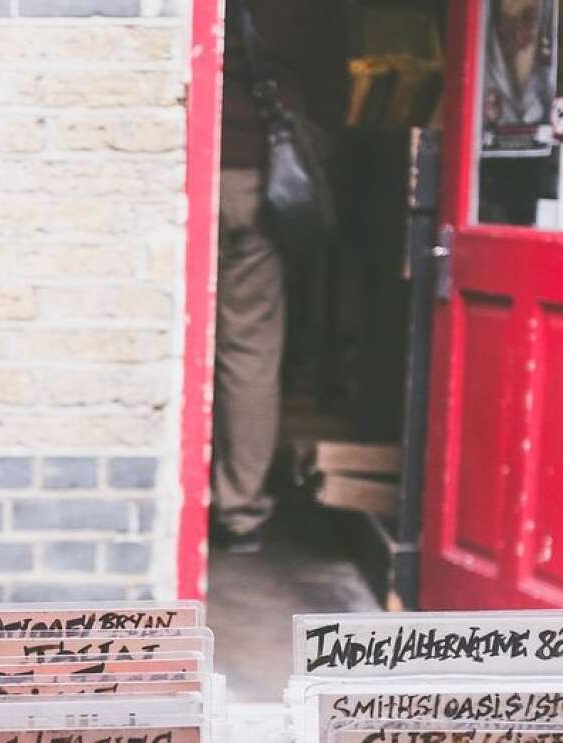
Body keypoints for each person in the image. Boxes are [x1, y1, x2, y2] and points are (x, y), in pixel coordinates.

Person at [212, 0, 339, 552]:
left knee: (170, 338)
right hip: (264, 180)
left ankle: (168, 495)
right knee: (250, 349)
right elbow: (331, 81)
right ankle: (239, 511)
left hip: (192, 167)